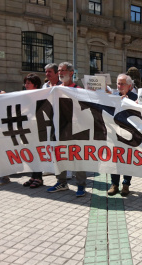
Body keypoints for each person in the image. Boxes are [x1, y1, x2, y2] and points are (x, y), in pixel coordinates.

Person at [46, 62, 87, 197]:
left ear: (71, 73)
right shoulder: (55, 90)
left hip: (76, 129)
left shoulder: (79, 90)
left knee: (79, 157)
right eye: (59, 70)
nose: (61, 73)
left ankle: (81, 185)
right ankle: (61, 182)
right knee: (59, 156)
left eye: (63, 70)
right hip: (59, 128)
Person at [106, 74, 138, 197]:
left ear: (129, 86)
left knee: (127, 159)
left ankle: (126, 184)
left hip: (130, 134)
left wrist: (129, 102)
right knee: (115, 160)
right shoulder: (113, 97)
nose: (119, 86)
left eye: (122, 83)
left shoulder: (136, 98)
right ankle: (114, 184)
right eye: (118, 83)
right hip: (114, 133)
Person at [22, 73, 45, 188]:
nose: (26, 85)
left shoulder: (40, 96)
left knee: (37, 152)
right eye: (25, 82)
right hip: (28, 128)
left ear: (35, 85)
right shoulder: (24, 96)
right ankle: (33, 176)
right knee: (31, 152)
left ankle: (39, 177)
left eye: (28, 83)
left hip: (38, 128)